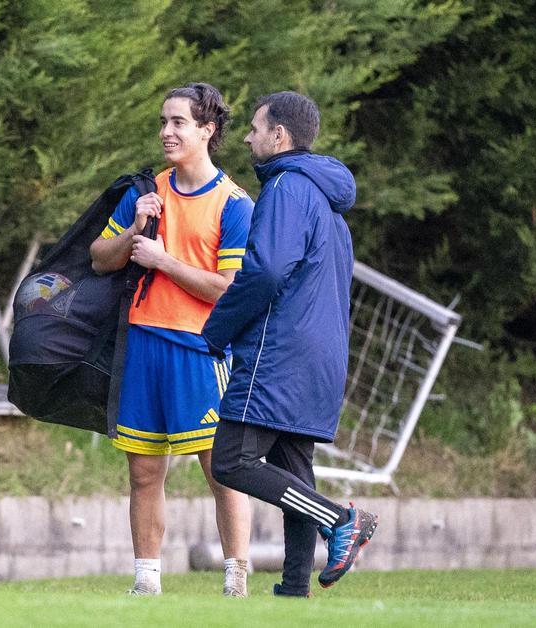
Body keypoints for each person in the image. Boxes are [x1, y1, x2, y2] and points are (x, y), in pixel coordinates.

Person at [204, 91, 377, 597]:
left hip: (277, 351)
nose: (247, 136)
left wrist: (218, 329)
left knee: (231, 460)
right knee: (292, 471)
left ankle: (343, 519)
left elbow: (266, 271)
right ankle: (293, 591)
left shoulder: (284, 187)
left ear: (279, 136)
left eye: (255, 128)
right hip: (320, 355)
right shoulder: (326, 200)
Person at [90, 83, 254, 597]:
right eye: (164, 121)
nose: (166, 131)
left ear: (208, 130)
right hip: (141, 345)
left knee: (221, 471)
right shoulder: (145, 190)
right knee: (143, 473)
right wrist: (134, 227)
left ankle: (236, 578)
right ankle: (146, 582)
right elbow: (100, 257)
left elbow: (227, 288)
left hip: (200, 353)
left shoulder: (234, 204)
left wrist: (162, 260)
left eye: (179, 122)